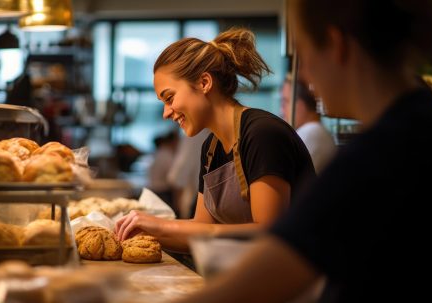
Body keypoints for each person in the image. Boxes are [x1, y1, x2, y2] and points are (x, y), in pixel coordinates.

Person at [175, 0, 432, 302]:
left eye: (306, 55)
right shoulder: (426, 127)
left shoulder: (384, 153)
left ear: (336, 46)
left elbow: (269, 274)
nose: (305, 76)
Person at [115, 28, 316, 253]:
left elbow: (269, 232)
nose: (166, 113)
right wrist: (142, 232)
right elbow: (202, 230)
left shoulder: (262, 134)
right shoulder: (211, 148)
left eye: (169, 98)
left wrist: (161, 226)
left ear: (204, 82)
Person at [281, 77, 337, 173]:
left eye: (286, 101)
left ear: (301, 104)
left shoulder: (310, 133)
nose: (282, 110)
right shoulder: (316, 132)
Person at [167, 128, 210, 218]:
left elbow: (178, 176)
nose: (166, 114)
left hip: (197, 201)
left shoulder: (194, 135)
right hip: (202, 200)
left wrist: (177, 209)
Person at [147, 130, 179, 210]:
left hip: (153, 190)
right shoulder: (167, 155)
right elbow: (173, 178)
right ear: (173, 141)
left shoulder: (158, 152)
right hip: (162, 192)